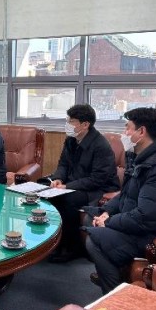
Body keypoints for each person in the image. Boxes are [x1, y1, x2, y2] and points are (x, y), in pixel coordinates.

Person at [84, 107, 156, 294]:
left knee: (95, 241)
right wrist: (107, 212)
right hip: (145, 224)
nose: (124, 133)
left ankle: (114, 295)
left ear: (141, 131)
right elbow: (126, 193)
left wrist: (109, 222)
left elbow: (146, 218)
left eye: (127, 128)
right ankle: (114, 272)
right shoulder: (142, 156)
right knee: (91, 218)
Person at [47, 104, 120, 263]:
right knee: (49, 196)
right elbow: (63, 164)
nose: (67, 124)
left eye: (71, 121)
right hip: (75, 184)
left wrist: (67, 187)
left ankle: (73, 247)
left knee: (68, 200)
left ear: (85, 124)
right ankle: (56, 243)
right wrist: (58, 179)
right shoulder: (71, 140)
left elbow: (98, 179)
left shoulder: (100, 145)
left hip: (99, 188)